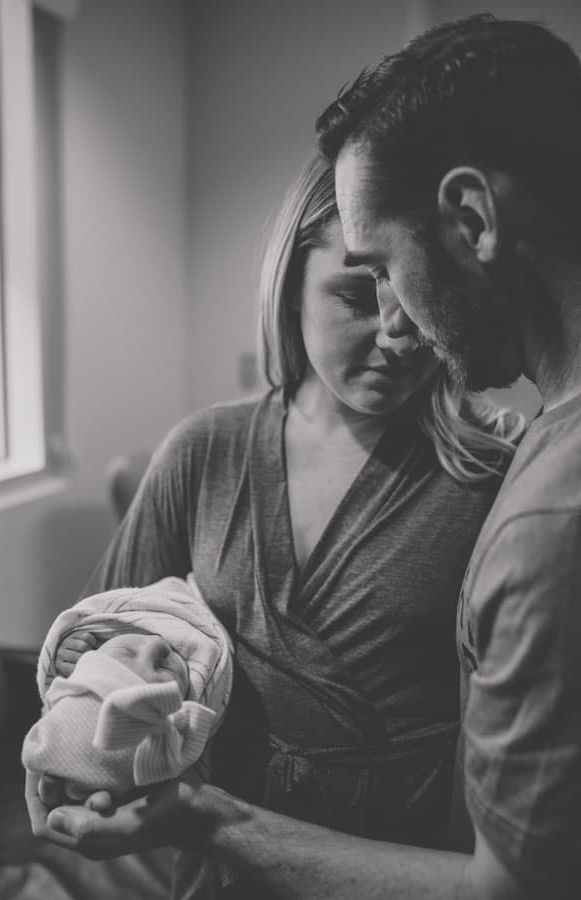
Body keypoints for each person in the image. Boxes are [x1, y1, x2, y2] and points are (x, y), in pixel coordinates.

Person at [27, 141, 527, 896]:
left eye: (423, 294)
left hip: (402, 859)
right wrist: (80, 768)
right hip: (222, 862)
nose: (399, 334)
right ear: (290, 285)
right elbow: (90, 647)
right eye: (358, 297)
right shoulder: (204, 453)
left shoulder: (497, 470)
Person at [22, 576, 233, 803]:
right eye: (164, 674)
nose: (156, 645)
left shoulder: (108, 630)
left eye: (127, 651)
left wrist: (70, 650)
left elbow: (81, 644)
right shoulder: (209, 698)